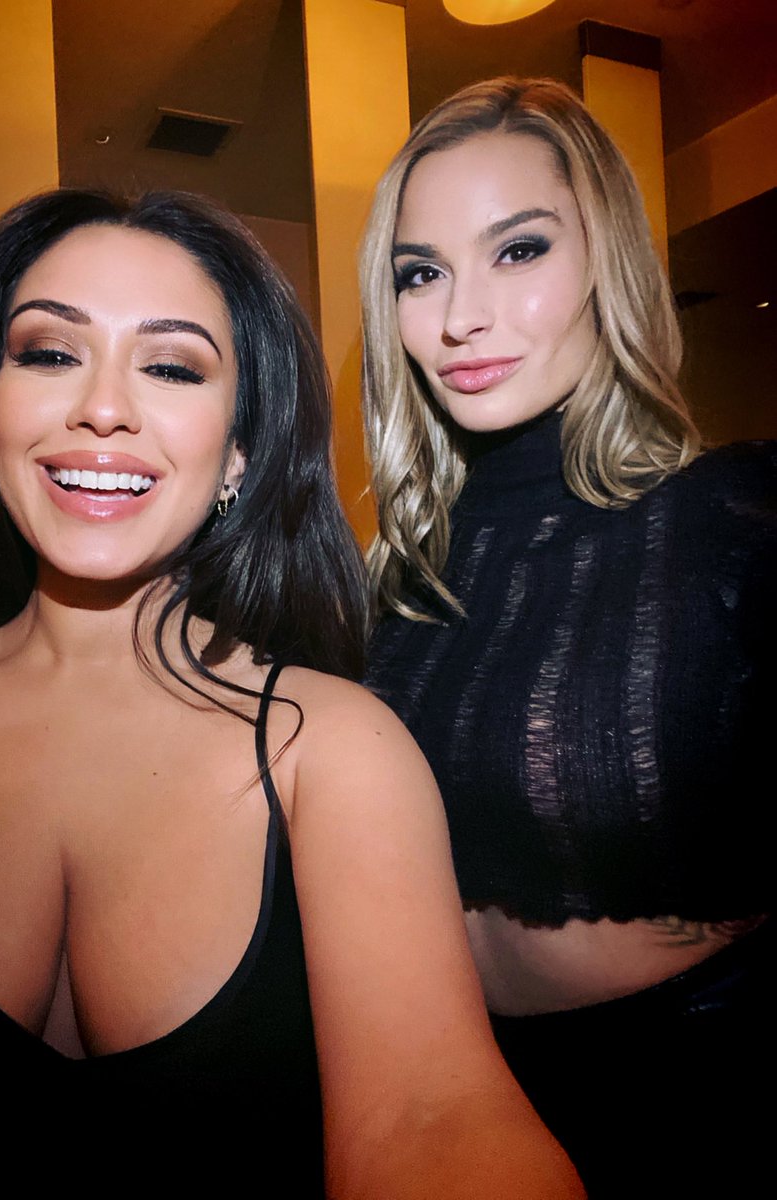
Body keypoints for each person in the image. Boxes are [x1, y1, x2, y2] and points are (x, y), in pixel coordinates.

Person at [0, 189, 583, 1195]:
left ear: (238, 458)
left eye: (171, 366)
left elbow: (432, 1120)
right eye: (49, 352)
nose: (103, 408)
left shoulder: (329, 749)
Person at [361, 77, 775, 1197]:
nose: (461, 316)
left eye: (518, 250)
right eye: (419, 272)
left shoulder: (735, 521)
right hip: (436, 1096)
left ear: (608, 265)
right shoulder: (389, 579)